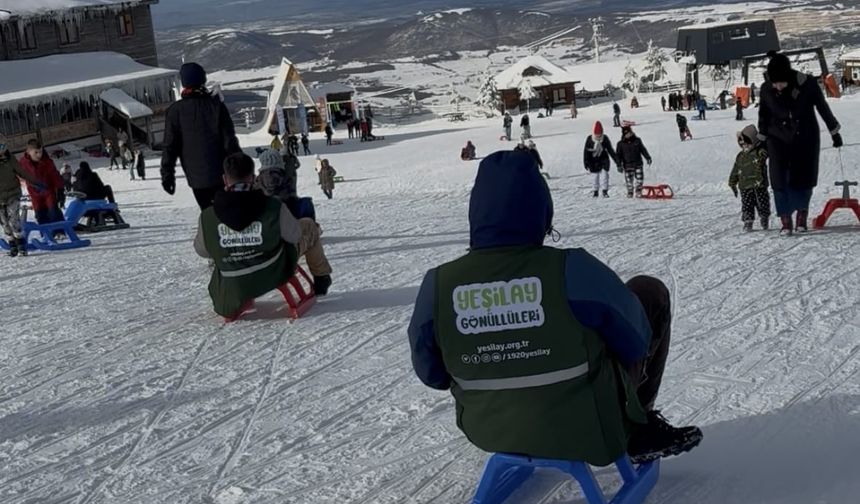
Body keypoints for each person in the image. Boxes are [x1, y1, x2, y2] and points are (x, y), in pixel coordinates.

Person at [408, 150, 702, 467]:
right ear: (541, 209)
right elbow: (637, 339)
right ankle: (639, 428)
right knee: (649, 291)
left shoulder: (437, 285)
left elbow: (432, 375)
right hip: (589, 427)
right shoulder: (572, 269)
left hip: (489, 431)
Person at [193, 152, 303, 318]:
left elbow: (202, 250)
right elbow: (295, 236)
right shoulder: (273, 207)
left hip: (233, 280)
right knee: (307, 226)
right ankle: (321, 276)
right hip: (272, 273)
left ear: (225, 179)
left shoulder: (208, 216)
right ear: (252, 178)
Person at [758, 51, 842, 235]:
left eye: (781, 82)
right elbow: (763, 115)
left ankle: (801, 216)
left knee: (803, 178)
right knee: (779, 179)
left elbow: (822, 107)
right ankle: (785, 219)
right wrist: (762, 139)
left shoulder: (807, 84)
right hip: (777, 138)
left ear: (789, 77)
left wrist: (834, 131)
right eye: (775, 83)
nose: (778, 87)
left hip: (804, 137)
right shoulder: (766, 89)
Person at [161, 62, 242, 210]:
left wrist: (167, 175)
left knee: (208, 213)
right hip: (222, 174)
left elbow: (170, 146)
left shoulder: (175, 111)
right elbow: (230, 141)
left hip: (196, 178)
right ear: (203, 79)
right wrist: (241, 168)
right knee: (228, 212)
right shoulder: (216, 105)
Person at [254, 151, 334, 294]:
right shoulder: (286, 179)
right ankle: (321, 276)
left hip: (253, 250)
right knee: (310, 229)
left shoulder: (254, 185)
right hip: (280, 251)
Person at [0, 135, 40, 257]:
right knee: (4, 222)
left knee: (14, 220)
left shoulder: (10, 158)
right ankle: (12, 245)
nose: (2, 149)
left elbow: (21, 171)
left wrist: (35, 182)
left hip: (13, 193)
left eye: (3, 146)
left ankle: (21, 245)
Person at [729, 125, 771, 232]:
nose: (744, 145)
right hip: (745, 185)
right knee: (747, 205)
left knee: (762, 203)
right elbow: (736, 169)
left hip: (759, 184)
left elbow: (766, 151)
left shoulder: (759, 152)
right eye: (741, 143)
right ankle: (748, 222)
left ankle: (764, 218)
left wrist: (763, 144)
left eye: (746, 143)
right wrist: (732, 182)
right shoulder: (740, 156)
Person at [18, 139, 64, 224]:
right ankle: (45, 234)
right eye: (36, 152)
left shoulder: (47, 161)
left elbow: (55, 175)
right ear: (29, 152)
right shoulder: (23, 163)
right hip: (34, 192)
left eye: (41, 152)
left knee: (53, 211)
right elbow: (18, 174)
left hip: (48, 191)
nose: (39, 155)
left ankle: (58, 231)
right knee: (40, 213)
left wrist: (60, 189)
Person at [584, 121, 619, 198]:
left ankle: (604, 191)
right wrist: (586, 162)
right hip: (593, 161)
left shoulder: (605, 138)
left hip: (603, 160)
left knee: (605, 175)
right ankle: (595, 191)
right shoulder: (589, 139)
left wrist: (617, 162)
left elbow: (610, 150)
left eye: (600, 135)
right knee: (595, 177)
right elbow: (586, 151)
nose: (598, 136)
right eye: (597, 135)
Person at [616, 126, 652, 198]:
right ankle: (630, 191)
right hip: (627, 165)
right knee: (629, 180)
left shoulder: (637, 141)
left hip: (638, 163)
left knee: (640, 179)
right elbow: (618, 156)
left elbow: (643, 150)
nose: (628, 135)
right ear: (623, 134)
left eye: (629, 133)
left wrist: (648, 157)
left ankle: (638, 191)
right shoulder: (620, 144)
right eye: (626, 134)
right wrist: (619, 165)